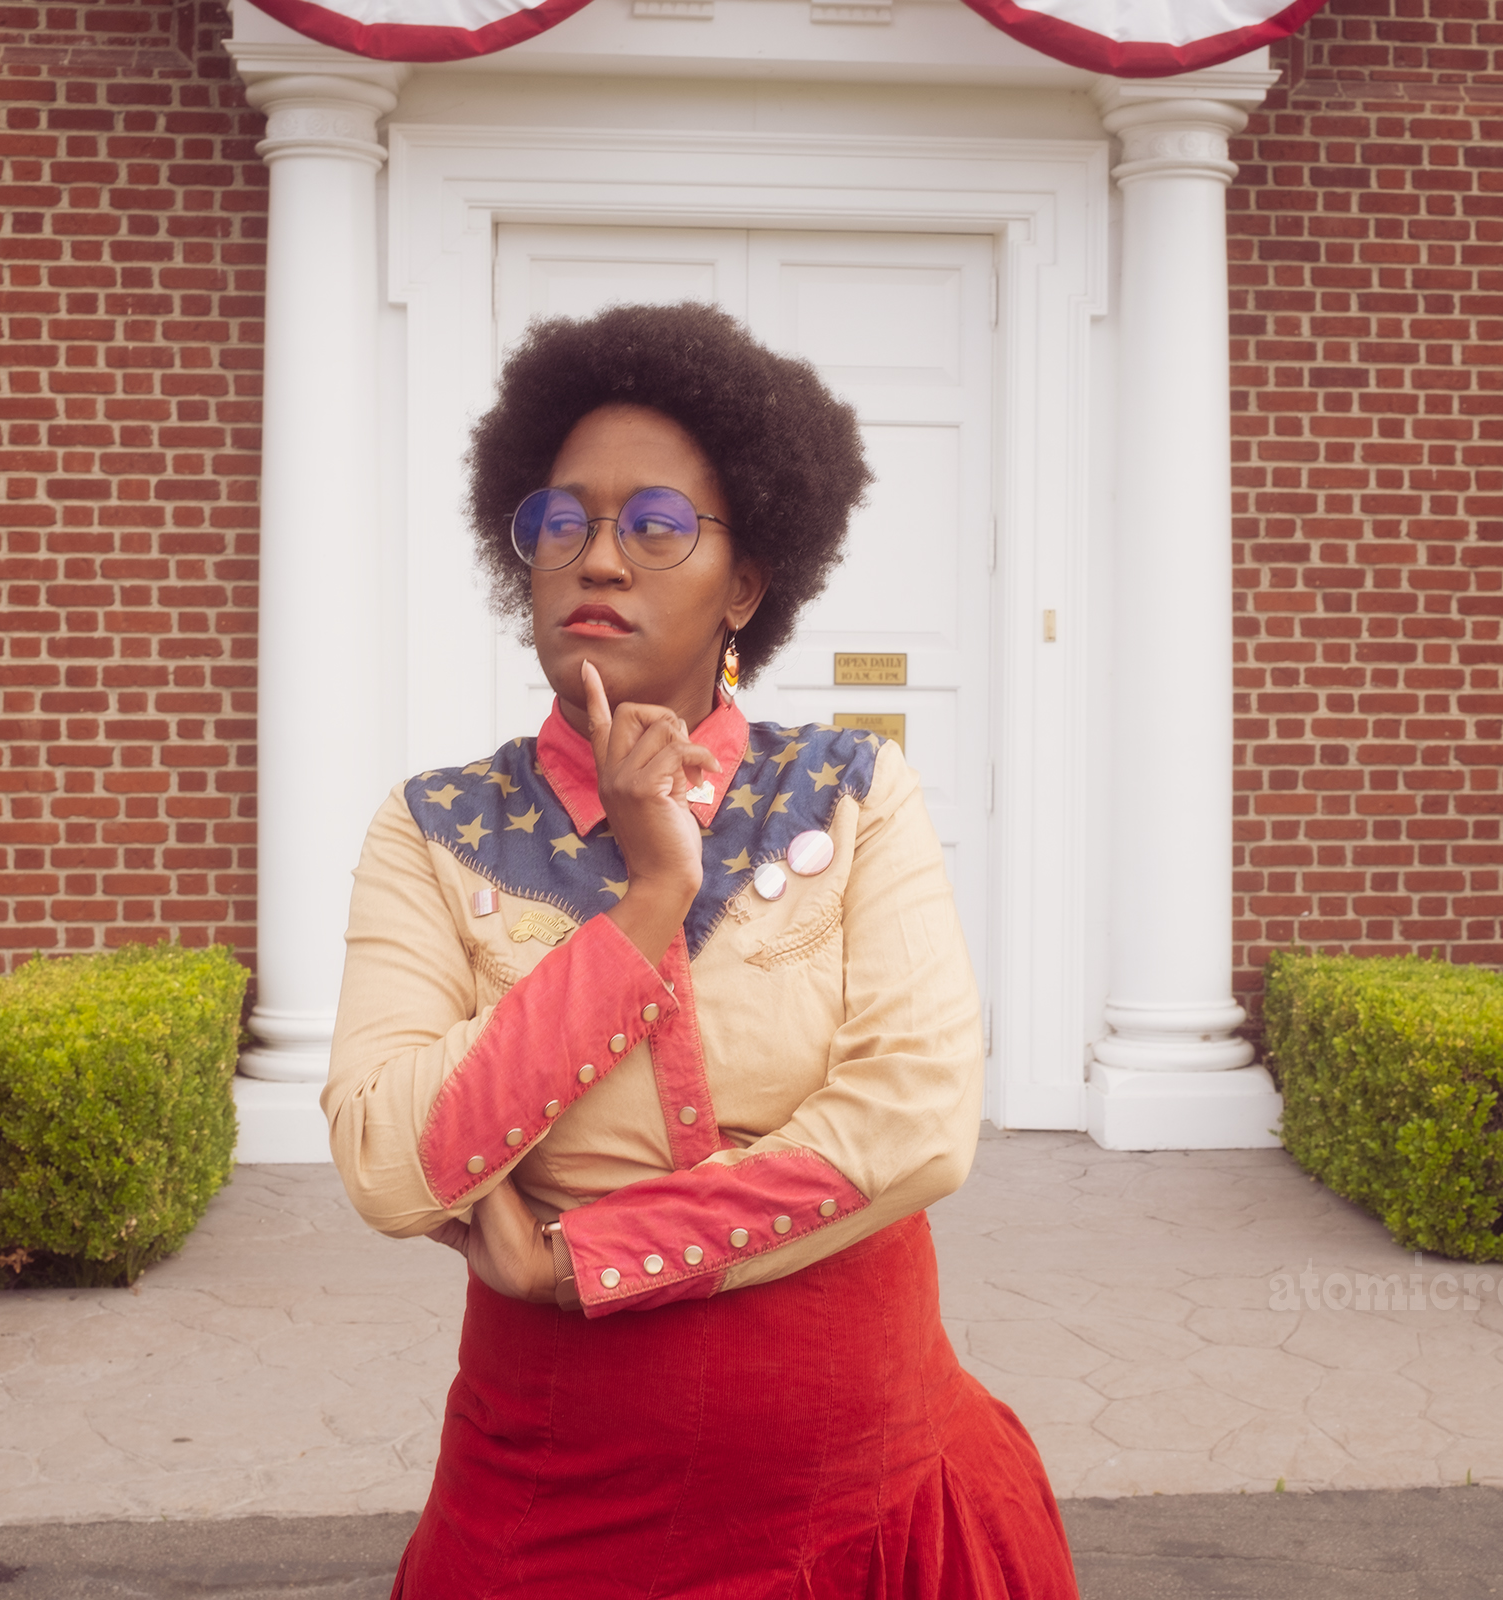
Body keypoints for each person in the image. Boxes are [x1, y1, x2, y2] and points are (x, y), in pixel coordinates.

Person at [324, 302, 1079, 1598]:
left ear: (743, 584)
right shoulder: (437, 832)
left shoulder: (852, 795)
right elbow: (395, 1165)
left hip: (867, 1506)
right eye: (560, 523)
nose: (598, 557)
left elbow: (916, 1125)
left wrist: (582, 1259)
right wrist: (648, 902)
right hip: (554, 1513)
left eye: (655, 524)